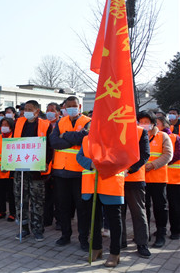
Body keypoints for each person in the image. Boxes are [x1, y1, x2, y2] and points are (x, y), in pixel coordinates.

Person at [49, 96, 90, 250]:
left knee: (82, 208)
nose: (72, 108)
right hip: (61, 171)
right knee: (63, 207)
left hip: (80, 172)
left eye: (74, 105)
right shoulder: (61, 122)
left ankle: (83, 239)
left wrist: (64, 136)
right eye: (69, 106)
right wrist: (74, 138)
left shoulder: (88, 121)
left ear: (79, 106)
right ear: (65, 107)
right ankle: (65, 235)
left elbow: (86, 138)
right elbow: (54, 142)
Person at [77, 139, 125, 268]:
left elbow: (124, 157)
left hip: (111, 185)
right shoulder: (87, 138)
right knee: (94, 219)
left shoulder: (118, 137)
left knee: (114, 221)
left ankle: (115, 253)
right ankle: (96, 248)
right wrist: (91, 164)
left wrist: (104, 164)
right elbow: (79, 156)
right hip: (91, 185)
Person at [13, 100, 53, 241]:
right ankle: (23, 228)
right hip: (20, 168)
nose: (26, 111)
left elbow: (50, 146)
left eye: (30, 109)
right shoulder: (18, 123)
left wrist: (47, 162)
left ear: (37, 111)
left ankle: (38, 229)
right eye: (25, 109)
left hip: (37, 169)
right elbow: (12, 143)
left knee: (37, 201)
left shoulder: (45, 125)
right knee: (20, 199)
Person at [139, 110, 173, 248]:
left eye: (146, 122)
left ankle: (160, 234)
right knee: (144, 208)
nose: (143, 125)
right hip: (141, 179)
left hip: (158, 178)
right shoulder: (136, 136)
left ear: (153, 124)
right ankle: (144, 234)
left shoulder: (163, 136)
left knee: (160, 207)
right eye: (141, 122)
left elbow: (168, 155)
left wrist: (152, 165)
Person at [120, 126, 151, 258]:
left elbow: (145, 155)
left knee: (138, 212)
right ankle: (119, 241)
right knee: (118, 213)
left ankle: (142, 243)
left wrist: (130, 170)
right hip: (116, 179)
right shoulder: (112, 128)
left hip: (135, 179)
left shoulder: (140, 131)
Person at [160, 116, 180, 239]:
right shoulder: (152, 138)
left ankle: (175, 230)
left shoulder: (174, 137)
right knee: (162, 206)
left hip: (174, 178)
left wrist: (165, 161)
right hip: (159, 177)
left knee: (174, 205)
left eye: (157, 123)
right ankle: (161, 230)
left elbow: (177, 153)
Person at [0, 117, 16, 222]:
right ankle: (1, 211)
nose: (4, 127)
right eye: (2, 125)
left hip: (10, 171)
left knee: (11, 194)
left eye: (6, 125)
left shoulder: (15, 138)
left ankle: (13, 213)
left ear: (11, 127)